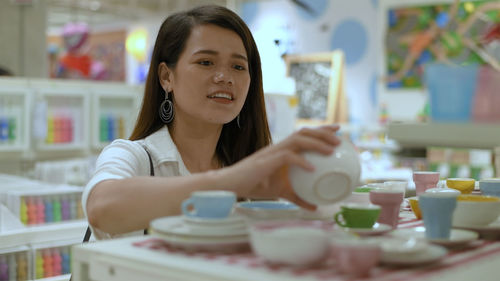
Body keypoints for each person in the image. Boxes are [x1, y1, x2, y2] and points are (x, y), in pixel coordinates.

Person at [84, 5, 341, 239]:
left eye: (238, 67)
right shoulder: (133, 156)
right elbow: (102, 208)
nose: (224, 77)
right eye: (205, 62)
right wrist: (232, 180)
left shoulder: (251, 171)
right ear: (166, 77)